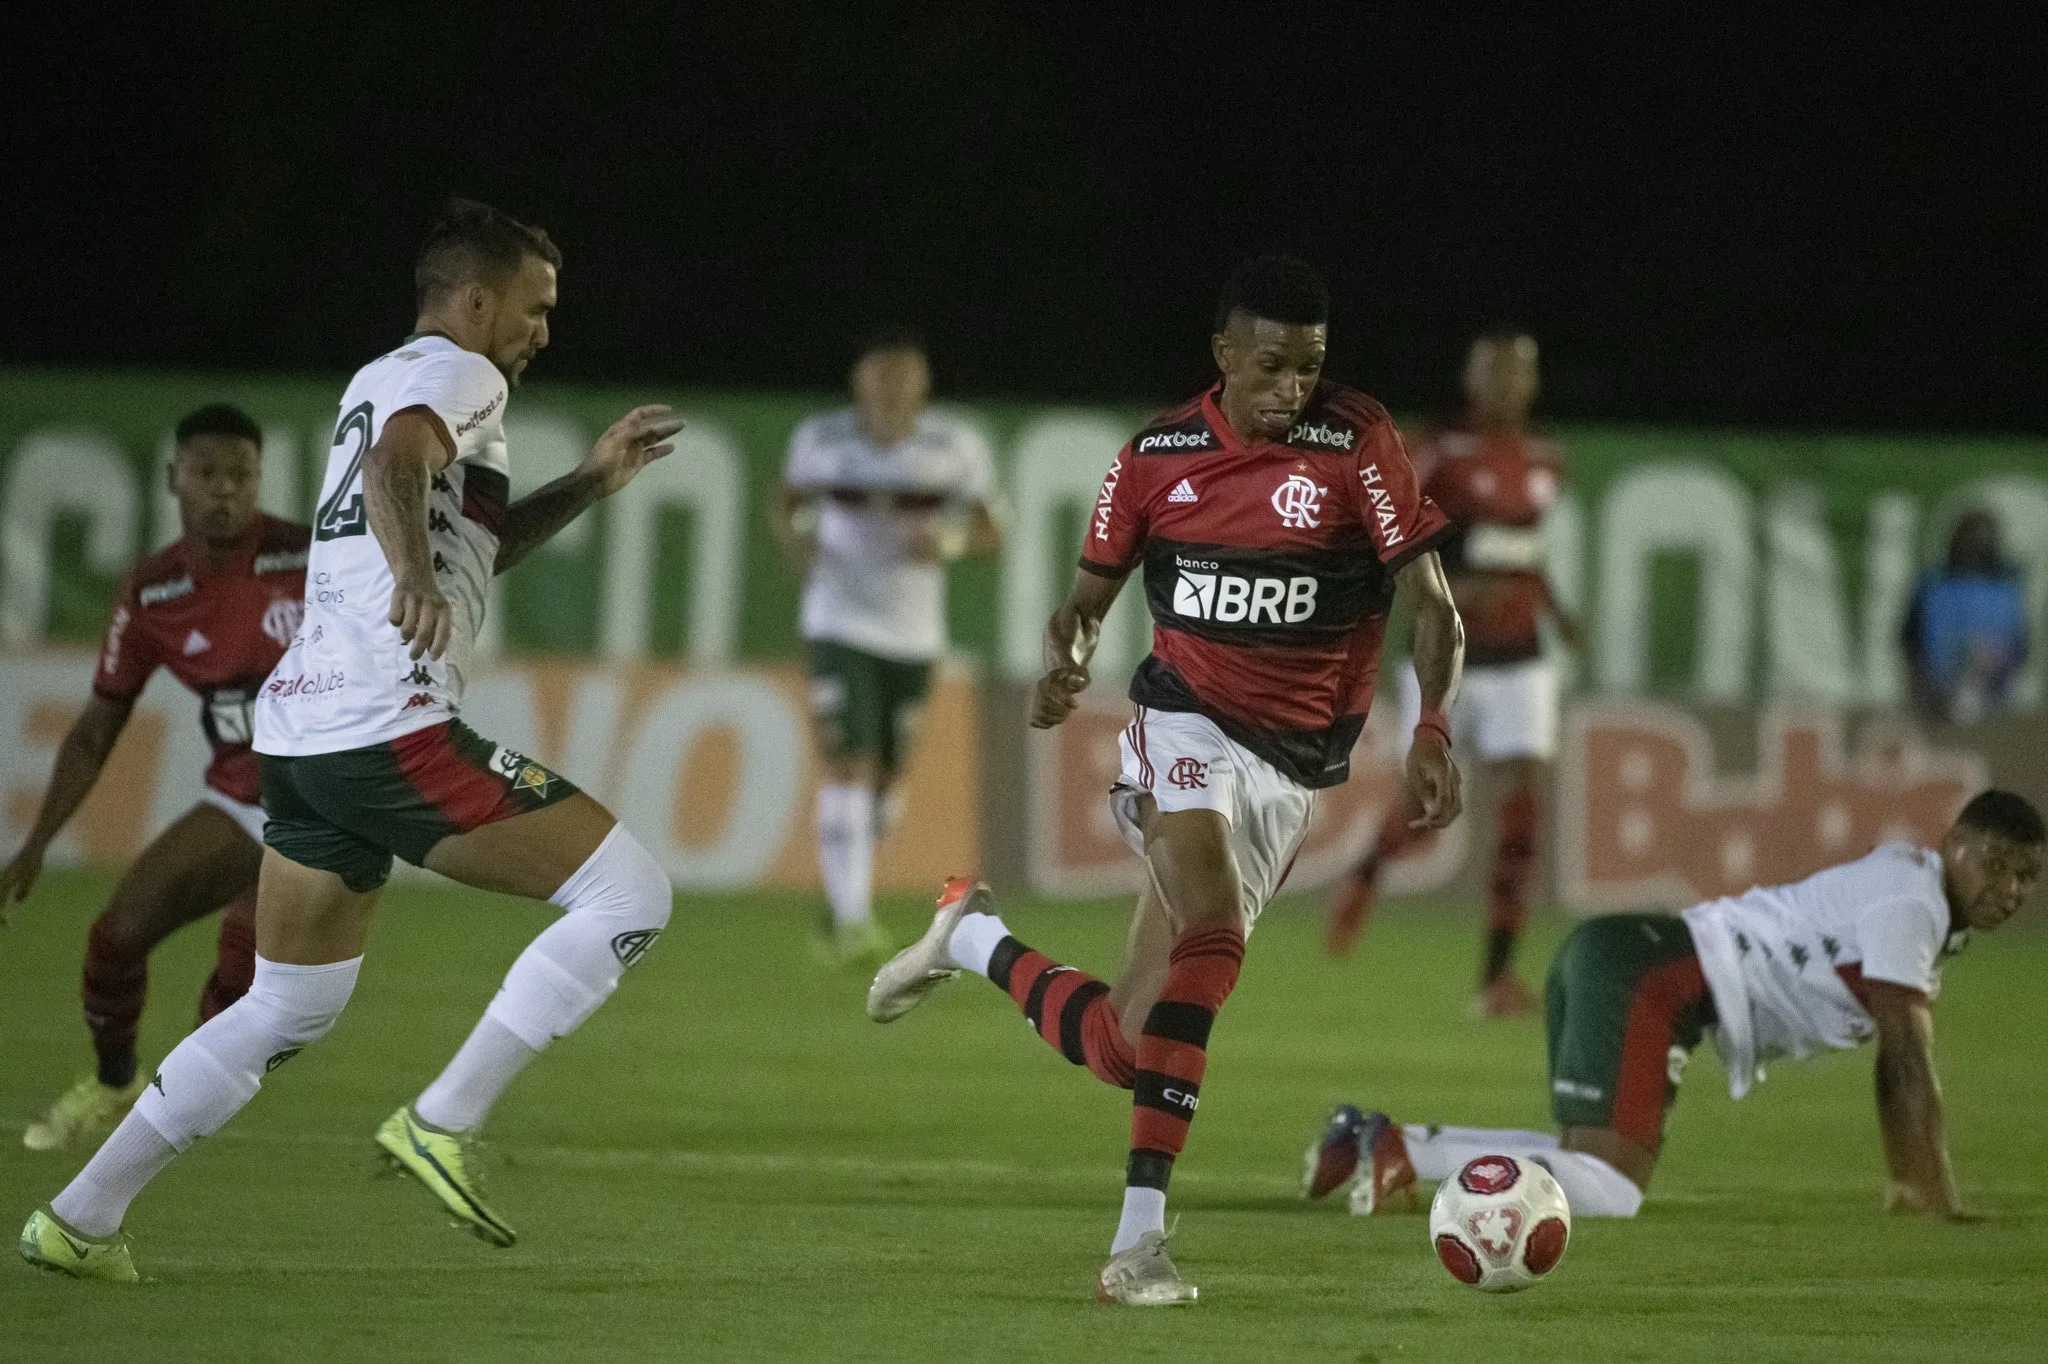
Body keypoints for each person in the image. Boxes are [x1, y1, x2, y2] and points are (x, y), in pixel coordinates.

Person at [21, 199, 685, 1282]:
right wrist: (414, 585)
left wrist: (589, 482)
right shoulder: (463, 376)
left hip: (306, 735)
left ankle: (80, 1216)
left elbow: (459, 531)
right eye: (535, 306)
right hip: (388, 723)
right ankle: (443, 1116)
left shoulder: (381, 376)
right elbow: (394, 472)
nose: (542, 330)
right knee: (629, 895)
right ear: (476, 301)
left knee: (289, 1000)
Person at [866, 256, 1465, 1305]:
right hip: (1180, 718)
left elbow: (1431, 602)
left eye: (1310, 365)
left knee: (1126, 1043)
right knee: (1211, 939)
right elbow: (1081, 601)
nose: (1292, 385)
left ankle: (969, 935)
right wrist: (1064, 658)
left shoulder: (1356, 440)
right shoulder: (1156, 456)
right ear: (1222, 356)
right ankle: (1137, 1240)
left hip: (1293, 763)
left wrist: (1432, 725)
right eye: (1271, 364)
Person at [1305, 790, 2044, 1221]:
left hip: (1632, 962)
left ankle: (1380, 1140)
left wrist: (1911, 1180)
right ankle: (1404, 1156)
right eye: (1998, 864)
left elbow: (1899, 1059)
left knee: (1582, 1163)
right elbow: (1906, 1059)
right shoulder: (1912, 902)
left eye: (2027, 878)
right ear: (1954, 844)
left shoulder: (1918, 896)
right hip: (1656, 977)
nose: (2009, 888)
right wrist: (1936, 1196)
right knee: (1612, 1189)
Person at [2, 405, 305, 1152]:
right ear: (174, 480)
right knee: (115, 936)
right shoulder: (153, 594)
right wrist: (38, 839)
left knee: (238, 975)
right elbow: (97, 725)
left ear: (260, 480)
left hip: (328, 803)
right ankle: (115, 1086)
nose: (225, 490)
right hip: (240, 796)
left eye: (241, 474)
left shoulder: (310, 557)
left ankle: (174, 1117)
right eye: (207, 473)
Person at [1326, 330, 1578, 1018]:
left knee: (1523, 809)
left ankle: (1496, 978)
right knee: (1425, 810)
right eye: (1491, 372)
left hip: (1523, 655)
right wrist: (1456, 592)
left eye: (1516, 374)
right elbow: (1396, 539)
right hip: (1451, 653)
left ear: (1530, 382)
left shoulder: (1547, 458)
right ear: (1471, 379)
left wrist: (1556, 611)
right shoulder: (1439, 452)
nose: (1503, 386)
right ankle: (1367, 871)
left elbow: (1523, 551)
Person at [773, 330, 1002, 966]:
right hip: (838, 625)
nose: (890, 397)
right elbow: (785, 503)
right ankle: (852, 921)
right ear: (860, 386)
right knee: (850, 762)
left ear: (921, 389)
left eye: (903, 385)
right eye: (879, 383)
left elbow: (991, 530)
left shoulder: (953, 448)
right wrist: (799, 542)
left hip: (914, 634)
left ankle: (843, 898)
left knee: (885, 786)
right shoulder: (821, 442)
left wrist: (948, 544)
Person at [1900, 509, 2028, 725]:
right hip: (1934, 700)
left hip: (1994, 702)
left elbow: (2019, 646)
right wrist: (1923, 683)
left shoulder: (2006, 589)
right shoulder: (1931, 584)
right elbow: (1910, 639)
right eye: (1970, 538)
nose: (1976, 546)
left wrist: (1995, 677)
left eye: (1984, 539)